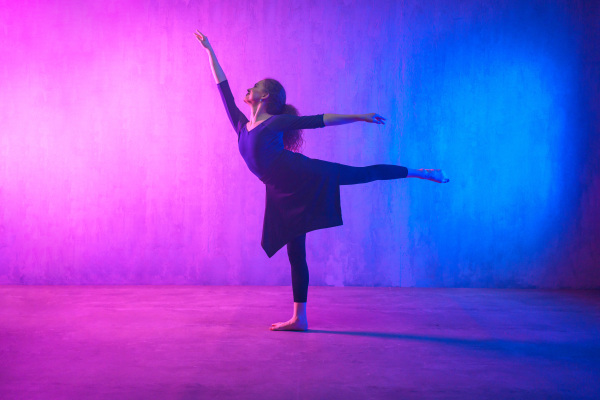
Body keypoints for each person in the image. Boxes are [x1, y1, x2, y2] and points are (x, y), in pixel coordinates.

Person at [194, 30, 449, 331]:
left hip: (305, 175)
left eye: (252, 87)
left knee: (361, 174)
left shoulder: (276, 122)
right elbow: (222, 87)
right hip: (280, 193)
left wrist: (359, 116)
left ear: (263, 97)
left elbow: (319, 120)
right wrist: (210, 50)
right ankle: (299, 318)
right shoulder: (241, 125)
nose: (245, 90)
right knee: (295, 253)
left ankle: (421, 172)